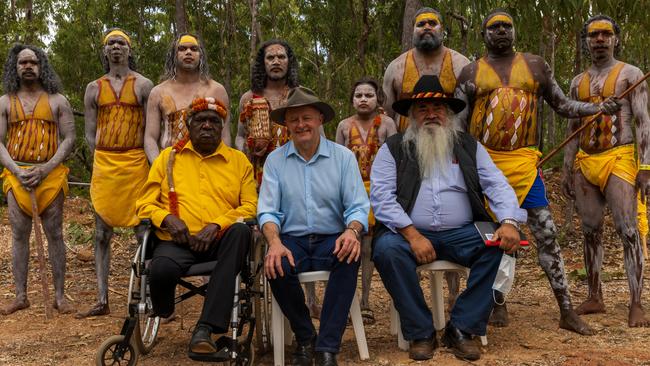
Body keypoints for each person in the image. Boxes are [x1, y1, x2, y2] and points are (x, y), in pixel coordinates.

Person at [455, 10, 620, 335]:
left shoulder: (535, 66)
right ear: (483, 34)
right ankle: (496, 304)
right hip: (485, 172)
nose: (501, 31)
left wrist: (596, 107)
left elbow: (562, 105)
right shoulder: (470, 72)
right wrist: (461, 167)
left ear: (514, 31)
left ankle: (566, 310)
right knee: (492, 240)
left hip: (525, 168)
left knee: (547, 237)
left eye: (506, 26)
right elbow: (458, 127)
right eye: (494, 27)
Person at [371, 75, 525, 361]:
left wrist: (508, 222)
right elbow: (382, 199)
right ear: (412, 116)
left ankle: (462, 328)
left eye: (438, 108)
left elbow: (497, 185)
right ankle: (420, 331)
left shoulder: (469, 146)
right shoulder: (393, 149)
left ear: (448, 113)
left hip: (462, 232)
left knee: (498, 247)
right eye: (423, 110)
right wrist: (412, 235)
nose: (431, 115)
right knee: (385, 250)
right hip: (409, 233)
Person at [136, 97, 257, 360]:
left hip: (221, 242)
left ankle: (205, 329)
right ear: (188, 126)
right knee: (161, 270)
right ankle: (163, 310)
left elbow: (250, 206)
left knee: (241, 232)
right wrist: (167, 218)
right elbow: (143, 204)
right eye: (200, 120)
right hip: (177, 240)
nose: (207, 126)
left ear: (222, 127)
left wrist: (217, 225)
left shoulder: (238, 162)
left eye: (214, 121)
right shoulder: (168, 158)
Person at [258, 86, 369, 366]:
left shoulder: (343, 157)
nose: (300, 125)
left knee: (348, 254)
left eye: (306, 117)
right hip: (292, 238)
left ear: (320, 119)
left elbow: (357, 205)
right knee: (276, 263)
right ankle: (306, 337)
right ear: (286, 125)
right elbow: (268, 210)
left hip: (332, 235)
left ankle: (328, 346)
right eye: (294, 120)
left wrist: (352, 231)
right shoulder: (275, 160)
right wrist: (274, 242)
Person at [562, 15, 650, 327]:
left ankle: (636, 302)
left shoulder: (631, 75)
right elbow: (573, 124)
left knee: (628, 231)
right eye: (593, 35)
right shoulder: (577, 82)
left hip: (620, 158)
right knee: (590, 230)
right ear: (586, 41)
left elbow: (643, 122)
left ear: (615, 39)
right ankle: (595, 295)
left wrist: (646, 167)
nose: (599, 39)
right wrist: (566, 167)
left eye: (605, 34)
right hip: (586, 160)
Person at [238, 39, 322, 318]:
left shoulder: (299, 95)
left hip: (298, 172)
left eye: (281, 57)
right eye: (270, 57)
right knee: (260, 232)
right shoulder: (250, 98)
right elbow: (239, 135)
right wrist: (246, 149)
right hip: (260, 173)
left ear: (289, 62)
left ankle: (309, 299)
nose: (276, 61)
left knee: (300, 228)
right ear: (262, 63)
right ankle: (255, 300)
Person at [77, 28, 154, 318]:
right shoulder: (94, 88)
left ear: (130, 50)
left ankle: (147, 295)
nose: (117, 47)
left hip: (136, 164)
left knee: (142, 231)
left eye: (121, 43)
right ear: (105, 51)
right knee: (100, 233)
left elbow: (151, 129)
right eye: (111, 43)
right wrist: (106, 154)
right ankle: (101, 298)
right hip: (106, 165)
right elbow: (89, 133)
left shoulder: (145, 86)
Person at [0, 44, 76, 315]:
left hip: (51, 176)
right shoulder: (4, 102)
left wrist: (46, 168)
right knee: (19, 236)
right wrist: (17, 171)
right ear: (15, 67)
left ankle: (59, 296)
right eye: (23, 63)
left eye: (33, 62)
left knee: (54, 234)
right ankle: (20, 295)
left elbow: (69, 139)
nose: (28, 66)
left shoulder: (58, 101)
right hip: (16, 175)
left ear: (42, 66)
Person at [335, 77, 396, 324]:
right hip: (352, 190)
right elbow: (336, 161)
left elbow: (395, 158)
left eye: (368, 95)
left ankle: (366, 301)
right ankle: (349, 302)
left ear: (377, 99)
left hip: (379, 190)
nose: (363, 99)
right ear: (352, 100)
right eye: (358, 95)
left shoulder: (387, 124)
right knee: (353, 246)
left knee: (370, 248)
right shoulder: (343, 126)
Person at [144, 33, 230, 163]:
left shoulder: (216, 90)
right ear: (174, 55)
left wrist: (222, 164)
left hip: (207, 164)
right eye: (182, 49)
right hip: (169, 164)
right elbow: (150, 138)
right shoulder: (158, 92)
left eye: (194, 49)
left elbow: (224, 135)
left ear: (201, 56)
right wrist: (158, 166)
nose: (188, 52)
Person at [383, 7, 469, 133]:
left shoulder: (461, 64)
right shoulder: (395, 68)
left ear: (442, 29)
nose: (427, 27)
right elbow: (387, 116)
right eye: (421, 24)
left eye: (433, 23)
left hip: (452, 143)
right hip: (405, 144)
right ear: (413, 30)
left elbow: (470, 111)